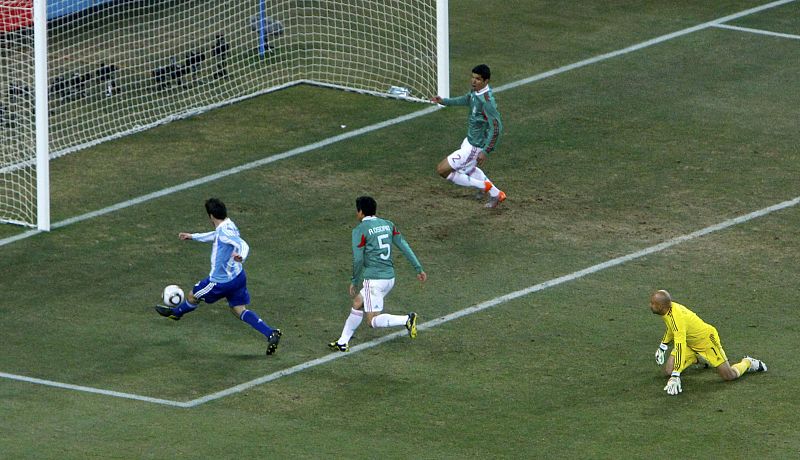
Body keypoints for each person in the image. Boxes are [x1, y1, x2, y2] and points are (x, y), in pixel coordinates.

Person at [155, 198, 282, 356]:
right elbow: (216, 235)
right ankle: (270, 333)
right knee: (238, 310)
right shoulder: (229, 225)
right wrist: (193, 236)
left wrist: (241, 256)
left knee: (193, 295)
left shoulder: (223, 231)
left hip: (220, 282)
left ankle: (176, 313)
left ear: (211, 216)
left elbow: (243, 245)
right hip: (238, 277)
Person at [328, 196, 427, 352]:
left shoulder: (360, 230)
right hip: (389, 278)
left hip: (374, 281)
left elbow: (358, 259)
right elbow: (403, 245)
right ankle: (343, 341)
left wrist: (354, 280)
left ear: (360, 212)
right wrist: (418, 268)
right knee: (357, 303)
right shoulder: (388, 225)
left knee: (372, 320)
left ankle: (407, 319)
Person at [649, 289, 766, 395]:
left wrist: (676, 375)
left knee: (729, 375)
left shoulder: (676, 317)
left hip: (706, 341)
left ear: (661, 306)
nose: (650, 305)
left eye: (653, 303)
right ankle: (698, 358)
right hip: (690, 342)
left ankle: (748, 362)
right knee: (669, 370)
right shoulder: (668, 311)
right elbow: (672, 328)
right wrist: (663, 346)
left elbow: (680, 345)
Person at [430, 64, 506, 208]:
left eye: (478, 79)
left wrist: (485, 151)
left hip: (475, 147)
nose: (473, 81)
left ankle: (484, 186)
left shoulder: (487, 102)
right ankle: (497, 194)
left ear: (486, 81)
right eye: (472, 77)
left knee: (442, 170)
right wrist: (444, 101)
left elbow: (496, 128)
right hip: (469, 141)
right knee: (469, 170)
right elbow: (465, 99)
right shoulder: (474, 93)